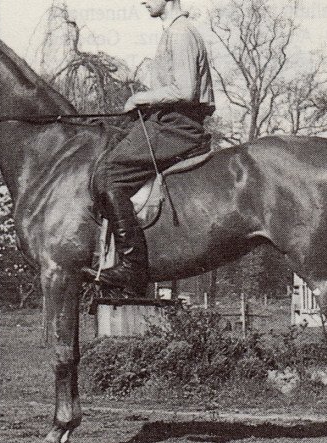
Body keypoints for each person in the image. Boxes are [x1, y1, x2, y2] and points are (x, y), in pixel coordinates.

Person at [83, 0, 215, 295]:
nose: (141, 0)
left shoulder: (181, 33)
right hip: (165, 122)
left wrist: (142, 98)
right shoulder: (172, 32)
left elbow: (185, 90)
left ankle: (132, 267)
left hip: (177, 128)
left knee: (107, 174)